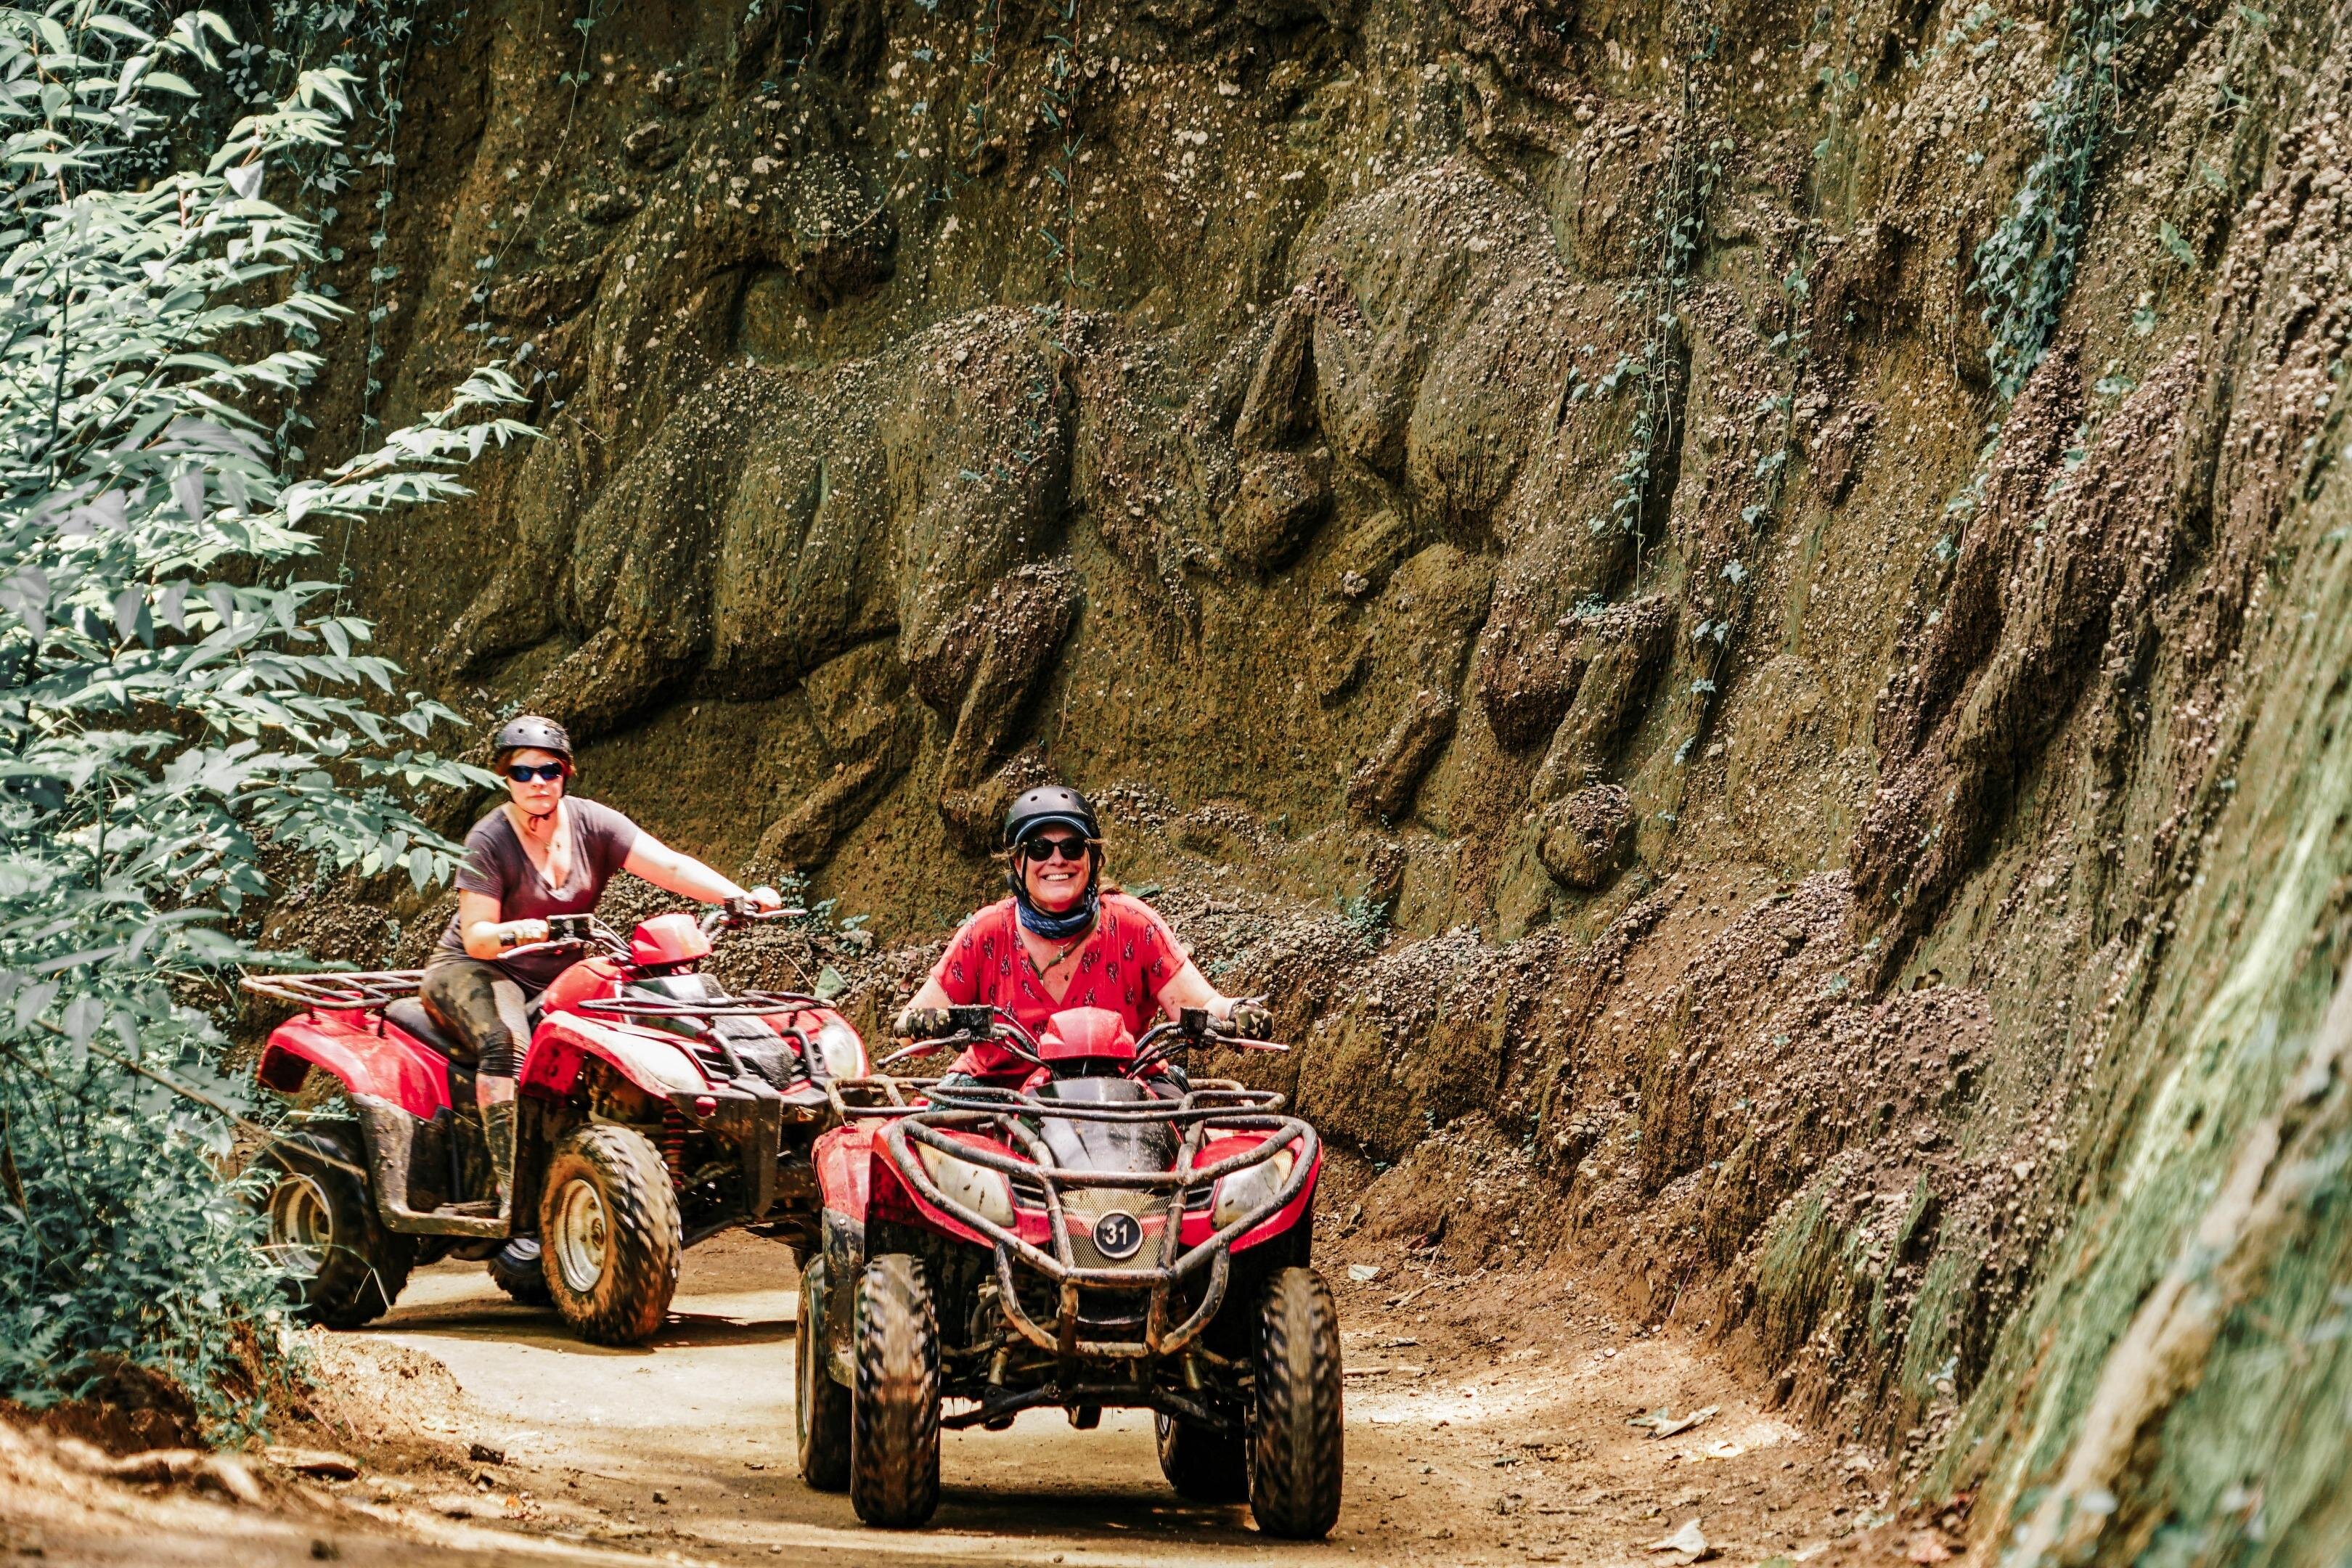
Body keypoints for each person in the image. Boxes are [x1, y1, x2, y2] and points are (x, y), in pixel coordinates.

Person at [422, 715, 780, 1266]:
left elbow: (670, 865)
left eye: (548, 770)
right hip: (477, 971)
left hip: (555, 974)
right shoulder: (489, 840)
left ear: (565, 773)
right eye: (522, 772)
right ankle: (509, 1191)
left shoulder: (592, 823)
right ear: (505, 777)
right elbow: (479, 936)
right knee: (508, 1045)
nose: (536, 782)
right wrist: (531, 929)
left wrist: (738, 897)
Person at [891, 785, 1273, 1085]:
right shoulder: (985, 933)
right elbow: (909, 1034)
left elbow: (1203, 1003)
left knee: (1192, 1144)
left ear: (1092, 858)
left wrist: (1234, 1012)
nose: (1057, 859)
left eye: (1072, 847)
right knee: (930, 1147)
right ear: (1018, 862)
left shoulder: (1134, 925)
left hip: (1123, 1088)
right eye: (1040, 848)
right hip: (998, 1093)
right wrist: (927, 1023)